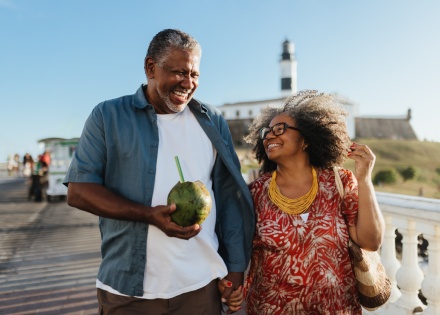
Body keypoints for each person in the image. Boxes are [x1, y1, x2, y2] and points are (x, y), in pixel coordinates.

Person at [63, 29, 254, 315]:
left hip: (200, 286)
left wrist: (235, 268)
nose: (188, 83)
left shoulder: (212, 121)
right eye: (179, 72)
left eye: (195, 75)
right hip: (128, 292)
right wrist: (148, 215)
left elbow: (228, 198)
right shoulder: (108, 116)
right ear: (150, 68)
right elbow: (79, 192)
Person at [240, 90, 385, 314]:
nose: (269, 136)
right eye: (266, 132)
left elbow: (370, 241)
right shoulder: (255, 193)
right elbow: (237, 247)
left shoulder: (340, 182)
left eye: (279, 129)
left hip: (336, 308)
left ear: (305, 139)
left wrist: (364, 178)